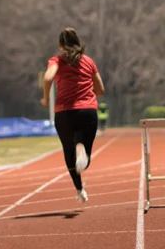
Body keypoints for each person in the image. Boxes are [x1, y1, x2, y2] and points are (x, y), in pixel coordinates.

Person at [41, 27, 105, 202]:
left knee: (69, 156)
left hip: (64, 113)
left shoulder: (56, 61)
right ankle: (81, 148)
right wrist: (87, 91)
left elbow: (47, 78)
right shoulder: (88, 61)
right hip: (87, 111)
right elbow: (100, 88)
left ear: (60, 45)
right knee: (85, 159)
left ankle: (79, 190)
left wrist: (46, 98)